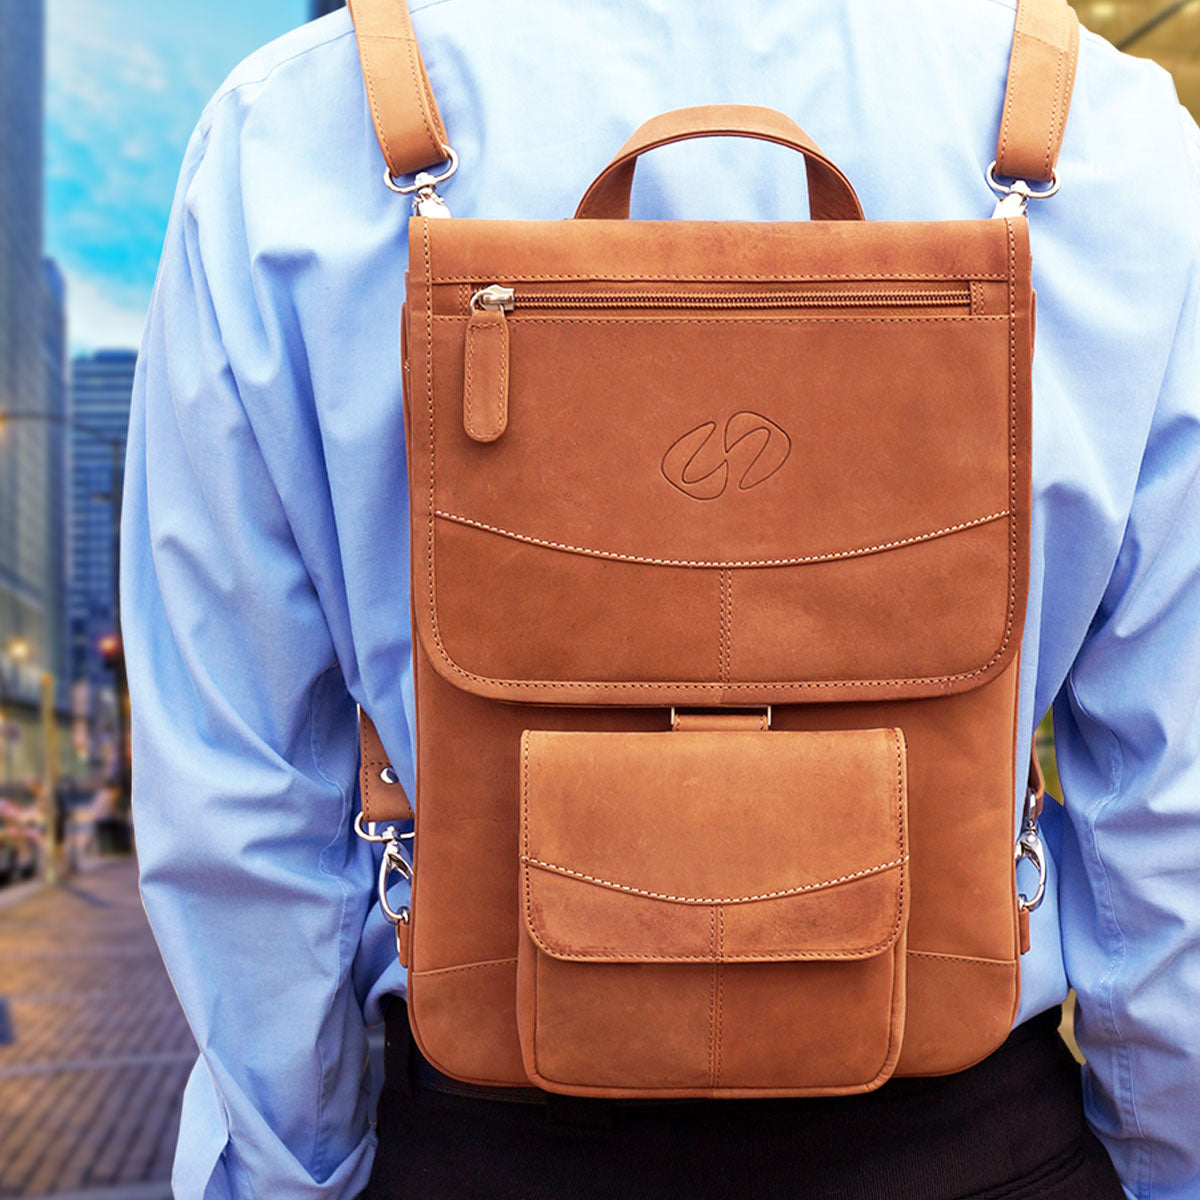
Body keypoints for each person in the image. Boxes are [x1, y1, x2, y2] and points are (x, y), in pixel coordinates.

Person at [122, 1, 1200, 1197]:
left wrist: (298, 1172)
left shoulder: (293, 130)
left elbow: (240, 798)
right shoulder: (1107, 136)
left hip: (475, 1144)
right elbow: (1172, 807)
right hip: (975, 1140)